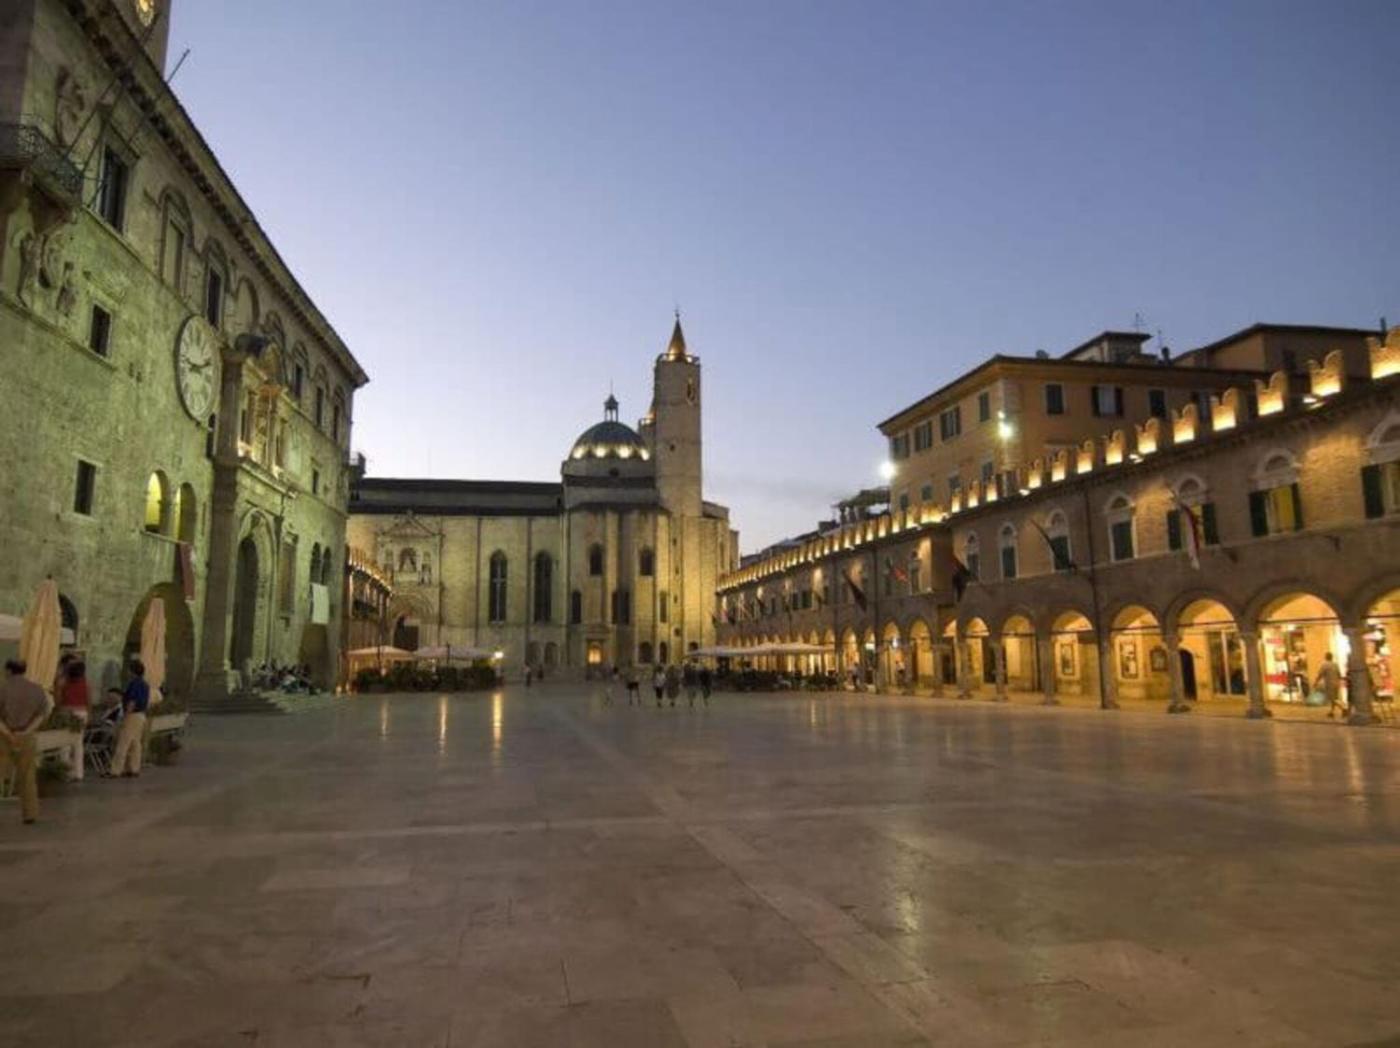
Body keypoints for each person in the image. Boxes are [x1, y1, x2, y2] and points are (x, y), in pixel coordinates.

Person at [0, 660, 49, 823]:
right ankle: (30, 814)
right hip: (27, 736)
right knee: (27, 775)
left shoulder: (3, 688)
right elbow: (41, 715)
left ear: (8, 670)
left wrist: (8, 733)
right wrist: (26, 731)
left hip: (4, 736)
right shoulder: (37, 689)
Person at [109, 660, 150, 778]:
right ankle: (134, 768)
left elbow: (132, 701)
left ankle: (116, 770)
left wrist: (125, 715)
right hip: (141, 715)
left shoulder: (133, 684)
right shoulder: (145, 684)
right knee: (136, 743)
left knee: (123, 742)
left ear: (132, 671)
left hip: (132, 715)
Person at [58, 659, 90, 781]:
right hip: (82, 712)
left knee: (64, 744)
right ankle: (78, 773)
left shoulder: (63, 682)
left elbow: (59, 699)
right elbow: (89, 700)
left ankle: (66, 771)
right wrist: (89, 714)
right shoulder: (86, 683)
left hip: (67, 713)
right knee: (78, 743)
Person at [1316, 652, 1344, 718]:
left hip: (1329, 684)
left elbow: (1320, 674)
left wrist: (1316, 682)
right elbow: (1339, 674)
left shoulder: (1324, 665)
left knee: (1332, 698)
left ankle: (1343, 708)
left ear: (1326, 657)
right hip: (1336, 683)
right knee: (1334, 698)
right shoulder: (1335, 664)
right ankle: (1331, 712)